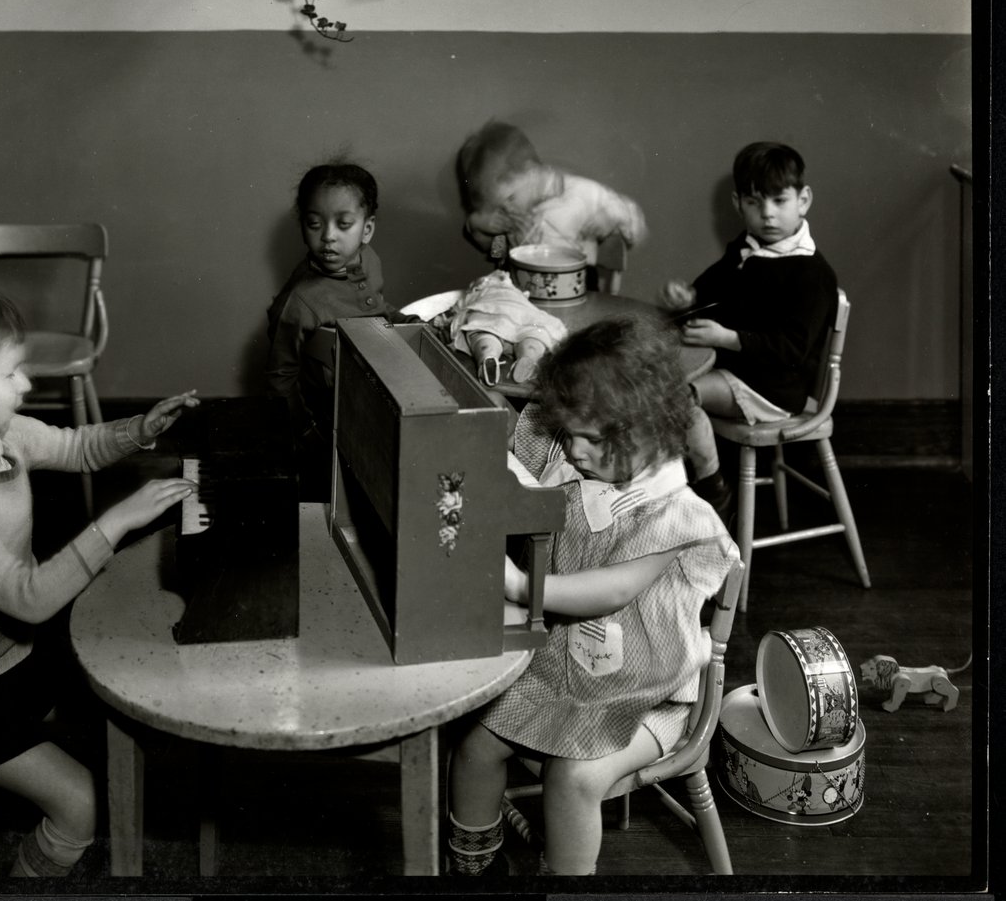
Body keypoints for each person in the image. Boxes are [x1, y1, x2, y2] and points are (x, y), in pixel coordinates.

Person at [0, 277, 199, 877]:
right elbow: (28, 600)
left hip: (17, 661)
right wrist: (117, 521)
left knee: (130, 683)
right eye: (11, 374)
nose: (27, 385)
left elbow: (78, 446)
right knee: (81, 800)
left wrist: (142, 429)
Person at [446, 315, 738, 876]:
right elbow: (510, 464)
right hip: (564, 667)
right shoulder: (574, 446)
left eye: (592, 438)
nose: (574, 450)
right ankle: (475, 865)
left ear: (649, 429)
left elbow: (612, 590)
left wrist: (519, 585)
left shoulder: (671, 509)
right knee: (477, 745)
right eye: (569, 432)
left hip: (652, 694)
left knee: (572, 776)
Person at [659, 142, 839, 518]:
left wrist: (727, 338)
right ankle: (662, 490)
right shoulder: (747, 247)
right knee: (654, 379)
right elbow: (711, 291)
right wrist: (687, 296)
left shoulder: (811, 273)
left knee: (677, 396)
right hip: (740, 370)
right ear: (738, 202)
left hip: (774, 387)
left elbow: (792, 348)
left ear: (803, 200)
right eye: (755, 202)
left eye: (779, 201)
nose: (768, 214)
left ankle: (711, 486)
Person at [266, 162, 409, 495]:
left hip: (376, 392)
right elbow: (279, 378)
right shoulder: (300, 301)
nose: (328, 236)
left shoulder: (369, 260)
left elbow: (375, 308)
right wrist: (304, 433)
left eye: (344, 224)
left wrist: (405, 322)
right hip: (331, 417)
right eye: (314, 223)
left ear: (367, 229)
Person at [455, 120, 648, 269]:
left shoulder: (581, 192)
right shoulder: (513, 215)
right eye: (498, 205)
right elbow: (496, 251)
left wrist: (610, 218)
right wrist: (479, 226)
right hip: (523, 295)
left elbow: (633, 220)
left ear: (531, 172)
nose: (507, 208)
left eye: (510, 198)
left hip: (577, 287)